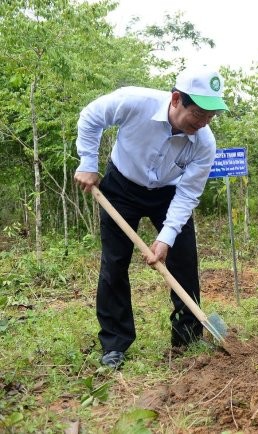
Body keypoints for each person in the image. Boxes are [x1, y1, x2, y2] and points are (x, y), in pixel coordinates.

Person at [74, 65, 228, 369]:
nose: (204, 122)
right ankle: (115, 343)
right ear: (175, 99)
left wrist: (166, 237)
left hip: (168, 193)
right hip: (121, 187)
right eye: (198, 114)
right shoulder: (135, 101)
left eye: (211, 116)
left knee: (184, 261)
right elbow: (91, 116)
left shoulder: (204, 142)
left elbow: (188, 194)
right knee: (115, 263)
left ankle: (188, 336)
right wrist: (88, 161)